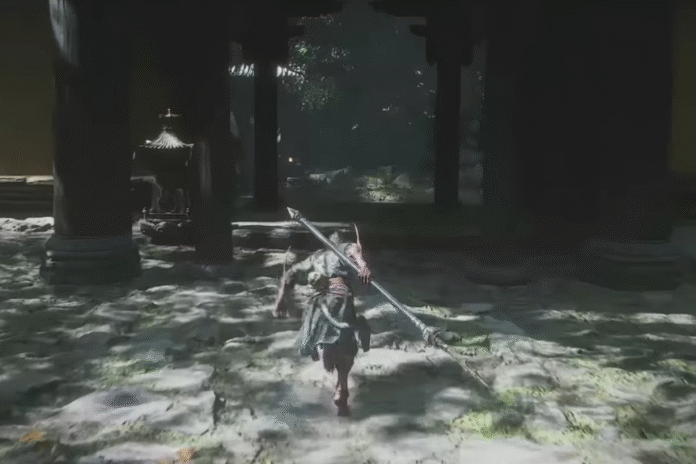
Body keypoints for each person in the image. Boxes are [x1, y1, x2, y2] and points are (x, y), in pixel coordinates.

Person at [273, 226, 372, 416]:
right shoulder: (343, 251)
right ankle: (342, 385)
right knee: (345, 344)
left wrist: (280, 301)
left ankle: (338, 384)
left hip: (319, 303)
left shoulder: (316, 258)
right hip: (340, 298)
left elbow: (289, 275)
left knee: (323, 344)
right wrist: (362, 265)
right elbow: (352, 249)